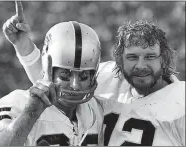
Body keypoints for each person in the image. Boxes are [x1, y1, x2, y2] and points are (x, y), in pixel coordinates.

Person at [12, 10, 185, 145]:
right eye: (132, 57)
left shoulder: (181, 101)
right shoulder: (107, 76)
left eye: (150, 57)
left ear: (164, 59)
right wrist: (24, 48)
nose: (140, 65)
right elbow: (54, 87)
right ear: (119, 61)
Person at [0, 1, 104, 146]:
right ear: (48, 69)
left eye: (84, 76)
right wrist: (30, 113)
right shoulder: (16, 104)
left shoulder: (96, 110)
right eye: (65, 74)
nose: (75, 85)